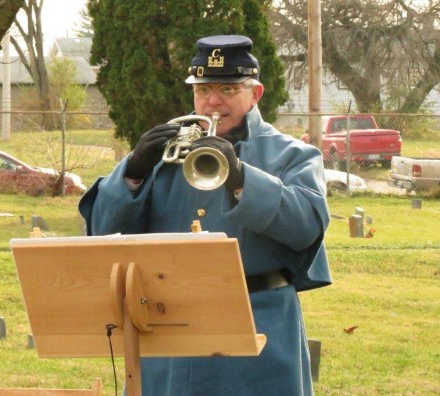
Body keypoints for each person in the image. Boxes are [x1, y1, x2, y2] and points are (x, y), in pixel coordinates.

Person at [79, 34, 331, 396]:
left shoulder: (292, 155)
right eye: (203, 89)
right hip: (168, 325)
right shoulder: (166, 154)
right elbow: (103, 231)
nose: (213, 102)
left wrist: (242, 175)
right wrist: (132, 173)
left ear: (255, 94)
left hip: (261, 323)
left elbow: (306, 228)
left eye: (227, 89)